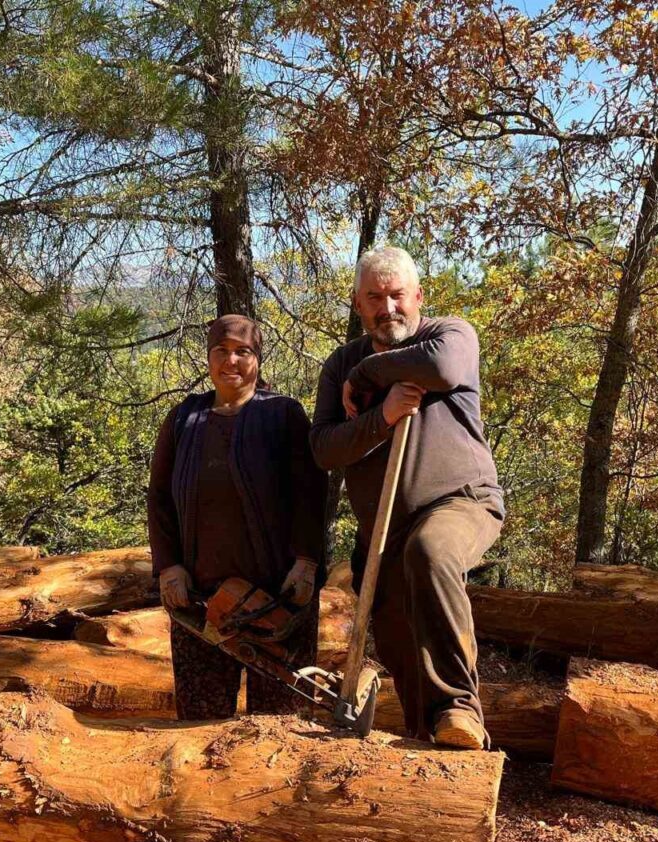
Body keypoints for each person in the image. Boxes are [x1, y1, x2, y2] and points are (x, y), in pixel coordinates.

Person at [311, 247, 505, 749]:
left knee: (432, 551)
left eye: (397, 295)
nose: (388, 308)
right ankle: (431, 741)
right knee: (398, 639)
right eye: (374, 298)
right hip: (383, 530)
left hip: (461, 501)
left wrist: (369, 374)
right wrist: (382, 416)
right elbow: (324, 448)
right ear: (358, 303)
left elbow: (441, 367)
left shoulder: (450, 334)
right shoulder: (339, 364)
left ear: (418, 295)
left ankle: (460, 708)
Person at [148, 314, 327, 720]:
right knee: (200, 723)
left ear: (257, 358)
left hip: (280, 600)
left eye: (243, 351)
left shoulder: (283, 414)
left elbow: (311, 494)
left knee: (282, 725)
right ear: (209, 357)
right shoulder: (183, 419)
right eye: (222, 351)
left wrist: (306, 562)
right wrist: (169, 567)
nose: (231, 361)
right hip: (199, 602)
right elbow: (159, 498)